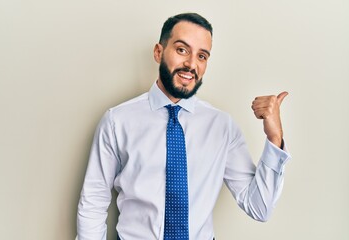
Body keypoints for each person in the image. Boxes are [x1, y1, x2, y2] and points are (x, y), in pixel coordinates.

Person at [77, 12, 291, 240]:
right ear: (159, 52)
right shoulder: (117, 121)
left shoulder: (222, 127)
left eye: (202, 56)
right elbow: (94, 201)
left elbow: (259, 207)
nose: (191, 64)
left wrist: (274, 138)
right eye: (182, 50)